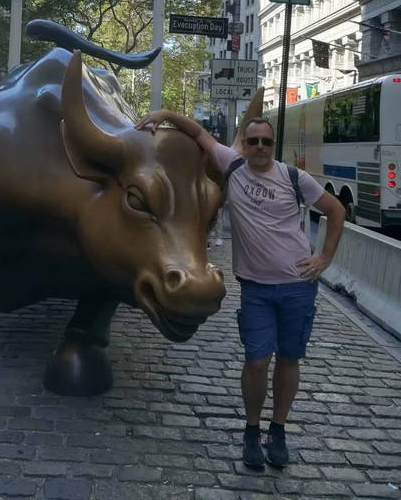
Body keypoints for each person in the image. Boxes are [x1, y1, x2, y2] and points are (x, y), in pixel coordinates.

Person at [136, 111, 345, 469]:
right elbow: (199, 133)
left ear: (273, 145)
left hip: (298, 286)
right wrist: (164, 115)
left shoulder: (294, 177)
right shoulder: (232, 166)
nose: (260, 147)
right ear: (244, 145)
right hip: (256, 289)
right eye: (254, 141)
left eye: (267, 141)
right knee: (257, 361)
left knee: (289, 359)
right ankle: (252, 430)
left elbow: (336, 210)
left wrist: (324, 257)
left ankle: (277, 430)